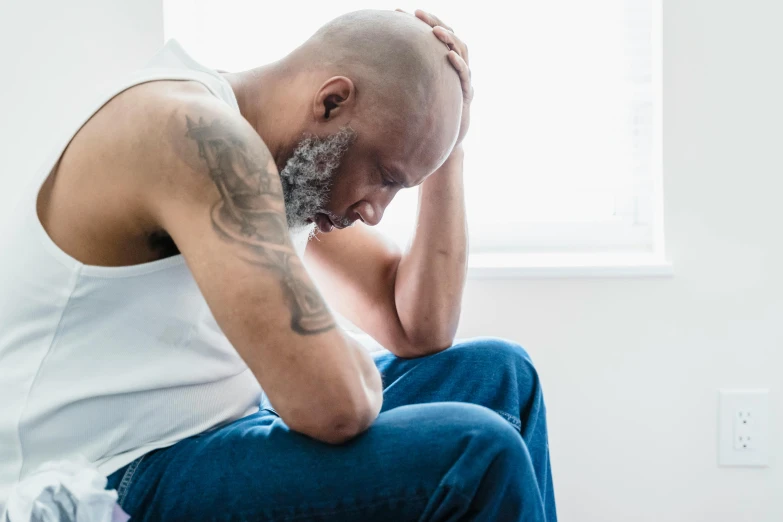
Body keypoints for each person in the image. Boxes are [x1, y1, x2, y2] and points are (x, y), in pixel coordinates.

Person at [0, 8, 556, 521]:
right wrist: (318, 369)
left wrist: (447, 140)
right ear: (332, 101)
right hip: (109, 473)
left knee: (502, 375)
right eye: (384, 175)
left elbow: (418, 326)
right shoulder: (198, 139)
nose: (374, 212)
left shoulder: (287, 162)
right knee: (477, 452)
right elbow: (332, 407)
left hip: (218, 432)